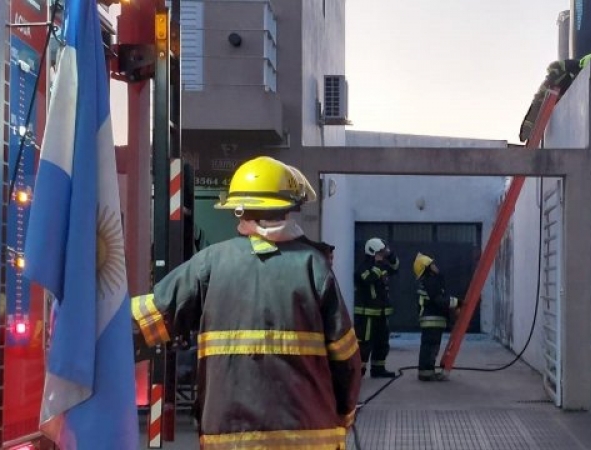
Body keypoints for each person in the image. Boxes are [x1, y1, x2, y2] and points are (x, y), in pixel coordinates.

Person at [131, 156, 361, 449]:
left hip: (229, 439)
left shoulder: (209, 264)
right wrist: (344, 414)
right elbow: (346, 362)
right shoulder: (314, 267)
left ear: (237, 210)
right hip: (310, 437)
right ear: (290, 208)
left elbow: (142, 323)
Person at [519, 52, 591, 142]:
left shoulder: (573, 71)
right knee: (536, 108)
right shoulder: (560, 75)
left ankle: (525, 132)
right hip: (549, 94)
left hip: (557, 95)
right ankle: (525, 132)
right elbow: (539, 100)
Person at [354, 237, 400, 378]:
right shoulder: (363, 268)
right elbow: (369, 278)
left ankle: (378, 369)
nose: (382, 254)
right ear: (372, 251)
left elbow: (395, 267)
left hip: (381, 313)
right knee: (364, 343)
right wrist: (379, 265)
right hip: (366, 314)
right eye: (380, 251)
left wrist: (390, 255)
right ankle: (358, 371)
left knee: (382, 342)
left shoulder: (382, 265)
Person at [413, 253, 460, 381]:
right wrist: (458, 302)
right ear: (427, 268)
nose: (435, 266)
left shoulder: (430, 281)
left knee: (431, 346)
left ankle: (427, 371)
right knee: (430, 347)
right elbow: (439, 300)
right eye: (432, 264)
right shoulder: (431, 281)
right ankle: (425, 373)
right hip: (431, 320)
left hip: (432, 320)